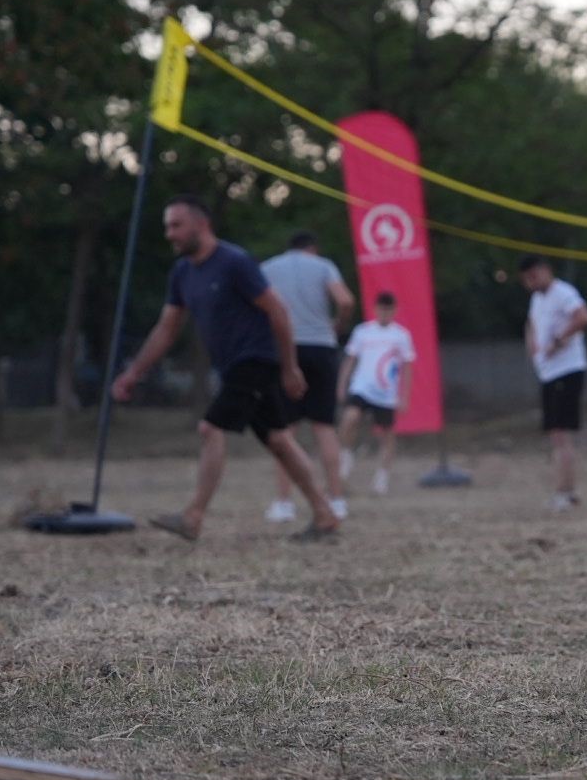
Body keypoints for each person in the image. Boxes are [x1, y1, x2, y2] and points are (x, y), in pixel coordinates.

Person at [110, 195, 340, 542]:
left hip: (257, 359)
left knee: (210, 428)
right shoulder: (183, 272)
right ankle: (325, 516)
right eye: (166, 227)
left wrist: (290, 367)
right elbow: (167, 328)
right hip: (234, 364)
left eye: (176, 225)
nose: (170, 234)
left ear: (200, 225)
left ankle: (193, 517)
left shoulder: (235, 262)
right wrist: (134, 372)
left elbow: (278, 311)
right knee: (279, 439)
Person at [261, 231, 356, 522]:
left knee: (284, 430)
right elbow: (346, 301)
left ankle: (283, 503)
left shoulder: (267, 268)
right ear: (313, 249)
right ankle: (337, 499)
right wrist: (336, 326)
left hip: (284, 348)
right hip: (321, 348)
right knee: (324, 427)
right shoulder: (324, 266)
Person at [519, 257, 587, 511]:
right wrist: (533, 347)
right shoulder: (537, 299)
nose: (531, 282)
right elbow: (531, 322)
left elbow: (583, 317)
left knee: (562, 434)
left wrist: (559, 341)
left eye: (533, 276)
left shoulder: (563, 293)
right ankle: (563, 491)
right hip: (549, 373)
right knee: (555, 434)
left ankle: (567, 492)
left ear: (544, 271)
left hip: (567, 370)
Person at [336, 291, 415, 496]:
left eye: (389, 310)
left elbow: (407, 367)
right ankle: (346, 458)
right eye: (381, 309)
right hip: (361, 387)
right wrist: (342, 384)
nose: (385, 313)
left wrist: (404, 396)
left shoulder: (401, 335)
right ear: (375, 309)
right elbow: (350, 359)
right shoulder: (362, 332)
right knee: (350, 418)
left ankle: (382, 478)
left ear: (394, 311)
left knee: (387, 435)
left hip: (386, 393)